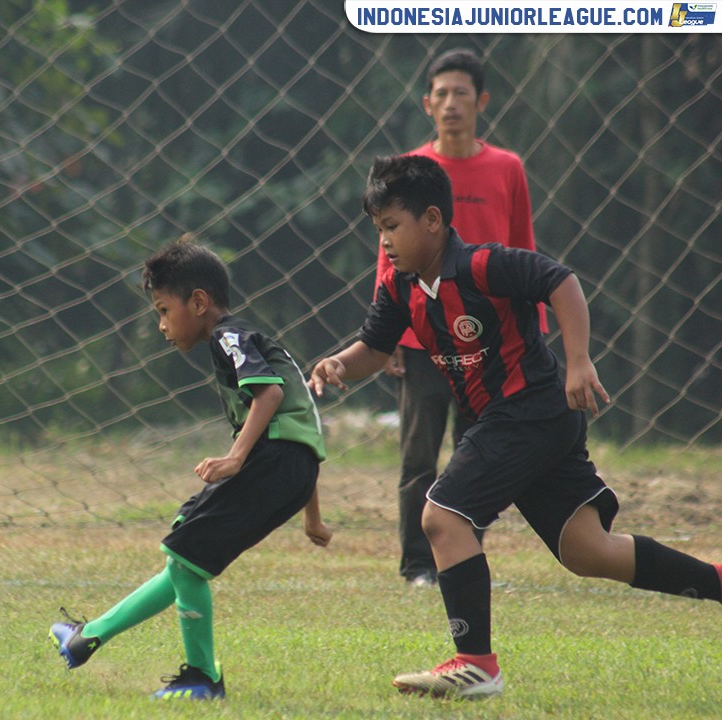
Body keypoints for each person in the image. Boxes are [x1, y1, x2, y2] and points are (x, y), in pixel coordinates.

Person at [309, 154, 721, 699]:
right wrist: (339, 363)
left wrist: (578, 361)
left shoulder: (481, 265)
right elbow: (375, 347)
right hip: (527, 421)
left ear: (432, 221)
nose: (383, 241)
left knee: (442, 516)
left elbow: (561, 282)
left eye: (391, 227)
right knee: (587, 550)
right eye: (378, 229)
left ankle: (475, 664)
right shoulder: (399, 287)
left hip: (529, 408)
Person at [49, 238, 332, 700]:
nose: (161, 325)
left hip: (274, 464)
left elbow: (273, 398)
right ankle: (87, 637)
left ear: (198, 302)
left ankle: (202, 677)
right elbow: (305, 432)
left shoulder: (228, 337)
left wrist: (236, 457)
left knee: (185, 554)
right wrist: (311, 514)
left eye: (164, 310)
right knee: (185, 557)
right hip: (290, 469)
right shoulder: (247, 344)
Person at [378, 48, 541, 587]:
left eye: (461, 94)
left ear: (482, 102)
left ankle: (463, 563)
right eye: (441, 94)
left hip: (490, 343)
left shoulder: (507, 168)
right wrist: (388, 337)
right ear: (427, 104)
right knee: (419, 456)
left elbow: (524, 251)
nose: (451, 104)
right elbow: (389, 256)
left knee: (480, 458)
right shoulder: (409, 171)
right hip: (424, 338)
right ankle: (418, 566)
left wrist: (534, 328)